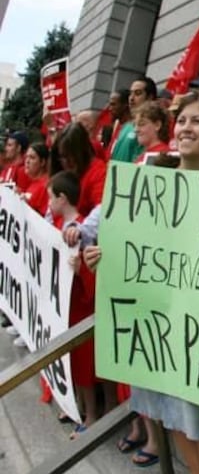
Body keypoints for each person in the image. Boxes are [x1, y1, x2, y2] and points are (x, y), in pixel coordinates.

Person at [84, 91, 199, 473]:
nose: (186, 128)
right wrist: (101, 259)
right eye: (181, 120)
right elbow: (131, 250)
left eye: (197, 120)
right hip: (156, 326)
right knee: (176, 423)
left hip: (197, 330)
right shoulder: (151, 181)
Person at [46, 170, 102, 439]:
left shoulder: (81, 229)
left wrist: (80, 270)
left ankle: (91, 414)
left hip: (81, 306)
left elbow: (91, 271)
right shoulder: (56, 223)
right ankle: (77, 407)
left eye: (50, 198)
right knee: (72, 361)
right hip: (65, 307)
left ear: (62, 198)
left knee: (83, 364)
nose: (48, 204)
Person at [111, 77, 156, 162]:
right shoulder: (125, 126)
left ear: (150, 97)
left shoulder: (151, 128)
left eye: (138, 93)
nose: (131, 98)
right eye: (130, 94)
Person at [20, 142, 50, 216]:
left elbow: (44, 218)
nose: (27, 161)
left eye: (32, 157)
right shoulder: (33, 183)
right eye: (26, 157)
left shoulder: (46, 185)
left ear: (42, 162)